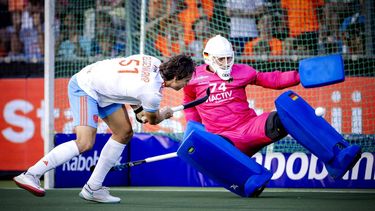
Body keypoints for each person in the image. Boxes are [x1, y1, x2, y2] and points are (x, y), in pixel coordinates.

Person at [183, 35, 361, 196]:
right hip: (225, 140)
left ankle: (336, 157)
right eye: (221, 59)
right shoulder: (193, 78)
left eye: (229, 58)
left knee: (287, 106)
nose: (226, 63)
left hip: (251, 128)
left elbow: (272, 80)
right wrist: (197, 132)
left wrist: (299, 76)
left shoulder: (243, 71)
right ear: (207, 57)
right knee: (215, 148)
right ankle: (248, 180)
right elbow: (189, 105)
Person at [13, 54, 196, 203]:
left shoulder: (153, 61)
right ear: (176, 77)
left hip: (105, 92)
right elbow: (153, 119)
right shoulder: (152, 93)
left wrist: (141, 111)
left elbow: (129, 89)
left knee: (124, 132)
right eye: (186, 80)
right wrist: (165, 113)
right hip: (86, 86)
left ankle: (93, 188)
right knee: (85, 142)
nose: (186, 84)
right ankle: (31, 174)